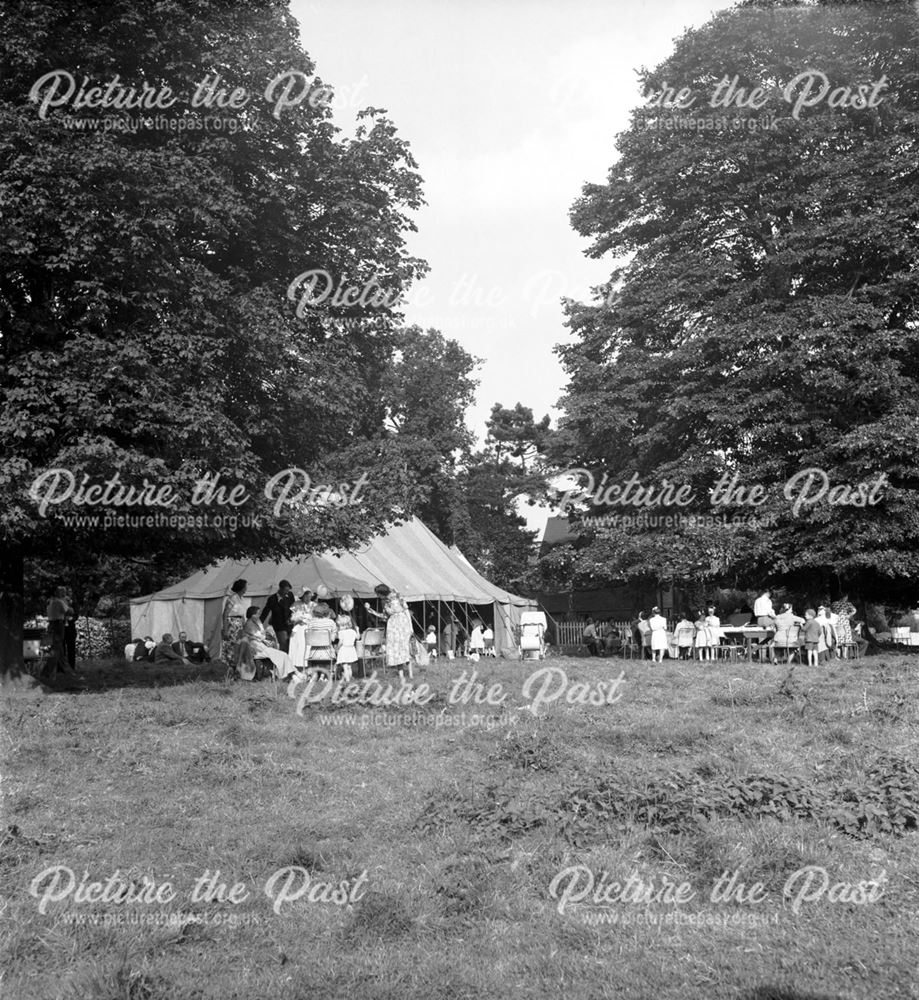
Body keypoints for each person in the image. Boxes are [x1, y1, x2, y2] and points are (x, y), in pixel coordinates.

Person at [237, 606, 300, 681]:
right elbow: (261, 636)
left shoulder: (255, 623)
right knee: (283, 655)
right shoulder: (249, 624)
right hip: (257, 649)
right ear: (252, 615)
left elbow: (261, 635)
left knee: (282, 655)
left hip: (261, 647)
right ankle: (293, 674)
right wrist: (261, 632)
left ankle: (294, 673)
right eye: (258, 614)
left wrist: (262, 635)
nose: (259, 616)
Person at [364, 584, 412, 675]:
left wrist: (410, 626)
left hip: (402, 623)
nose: (378, 596)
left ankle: (410, 674)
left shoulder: (397, 596)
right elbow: (385, 616)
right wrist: (371, 611)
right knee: (395, 649)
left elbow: (406, 610)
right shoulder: (384, 602)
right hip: (392, 626)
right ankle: (401, 675)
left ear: (382, 592)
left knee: (404, 647)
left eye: (378, 594)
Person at [44, 586, 73, 675]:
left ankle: (66, 670)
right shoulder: (60, 602)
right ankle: (46, 672)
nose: (64, 594)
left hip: (50, 625)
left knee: (58, 649)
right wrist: (68, 604)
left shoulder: (49, 601)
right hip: (58, 625)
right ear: (57, 593)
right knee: (56, 649)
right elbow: (70, 612)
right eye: (61, 592)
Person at [260, 580, 294, 653]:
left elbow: (293, 608)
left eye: (288, 590)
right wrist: (259, 623)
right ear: (280, 589)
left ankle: (289, 661)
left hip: (289, 624)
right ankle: (282, 661)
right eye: (285, 590)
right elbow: (265, 612)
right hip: (279, 625)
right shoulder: (272, 599)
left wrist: (291, 618)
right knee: (283, 644)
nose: (287, 592)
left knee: (290, 644)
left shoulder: (290, 595)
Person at [222, 579, 248, 663]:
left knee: (239, 644)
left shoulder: (242, 599)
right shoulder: (232, 598)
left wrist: (244, 625)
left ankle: (237, 664)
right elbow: (225, 613)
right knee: (231, 645)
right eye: (246, 586)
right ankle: (230, 665)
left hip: (240, 624)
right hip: (232, 624)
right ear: (242, 587)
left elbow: (242, 613)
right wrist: (225, 629)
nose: (247, 588)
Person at [335, 614, 358, 681]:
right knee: (349, 667)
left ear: (343, 625)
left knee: (345, 667)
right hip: (351, 649)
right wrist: (358, 630)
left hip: (344, 650)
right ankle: (350, 678)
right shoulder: (353, 631)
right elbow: (358, 637)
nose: (339, 627)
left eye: (339, 626)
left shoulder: (341, 632)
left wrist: (337, 648)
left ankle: (347, 681)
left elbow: (341, 642)